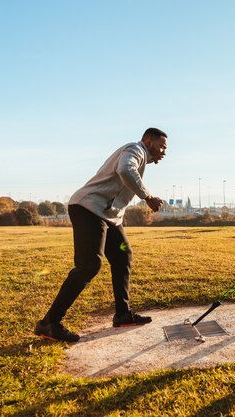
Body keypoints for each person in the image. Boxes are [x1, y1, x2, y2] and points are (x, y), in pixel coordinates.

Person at [34, 127, 167, 342]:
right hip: (88, 208)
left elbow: (118, 191)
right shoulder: (136, 149)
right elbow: (125, 170)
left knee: (123, 255)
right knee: (89, 265)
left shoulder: (140, 155)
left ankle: (123, 314)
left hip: (107, 216)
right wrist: (148, 196)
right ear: (148, 141)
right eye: (162, 146)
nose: (164, 151)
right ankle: (48, 323)